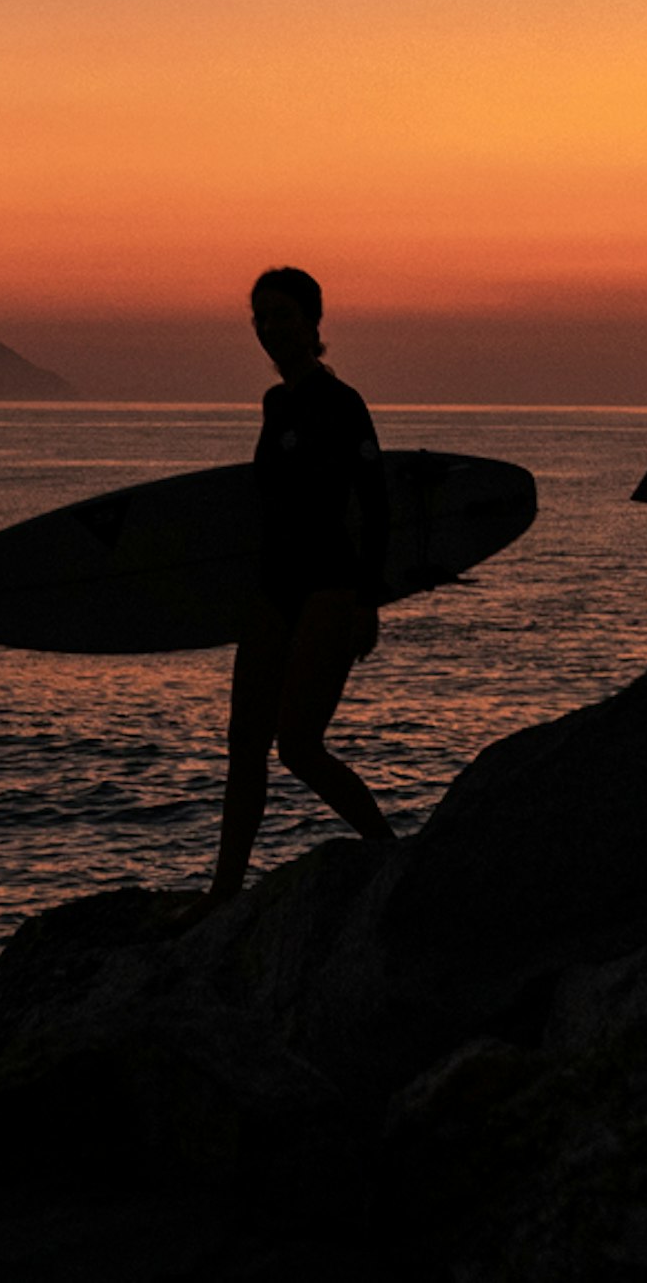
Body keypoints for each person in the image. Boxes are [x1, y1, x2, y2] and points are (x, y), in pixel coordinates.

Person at [208, 265, 397, 902]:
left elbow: (376, 505)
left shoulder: (341, 404)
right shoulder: (275, 404)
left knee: (298, 745)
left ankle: (392, 857)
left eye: (283, 314)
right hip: (273, 588)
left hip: (329, 585)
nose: (269, 328)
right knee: (244, 747)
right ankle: (223, 895)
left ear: (315, 322)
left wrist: (367, 603)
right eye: (260, 317)